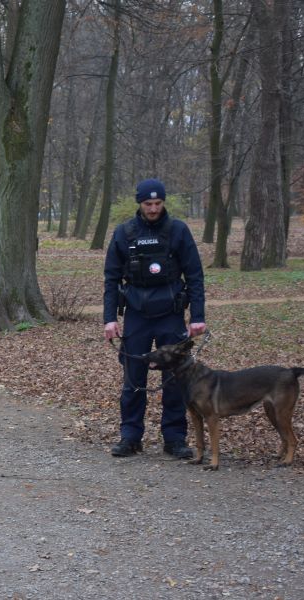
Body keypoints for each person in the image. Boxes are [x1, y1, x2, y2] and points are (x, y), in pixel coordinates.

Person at [103, 178, 207, 459]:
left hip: (170, 315)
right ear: (140, 203)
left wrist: (197, 316)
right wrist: (109, 319)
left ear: (163, 202)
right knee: (133, 378)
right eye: (148, 204)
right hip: (136, 315)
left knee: (175, 378)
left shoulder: (178, 231)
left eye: (157, 203)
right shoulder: (124, 233)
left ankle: (174, 438)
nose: (153, 208)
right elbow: (111, 278)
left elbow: (195, 275)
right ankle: (130, 436)